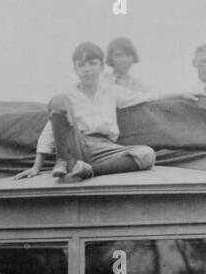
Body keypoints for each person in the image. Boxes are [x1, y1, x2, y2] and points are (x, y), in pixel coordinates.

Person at [16, 42, 188, 184]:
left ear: (101, 67)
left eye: (92, 64)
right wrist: (36, 167)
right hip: (77, 144)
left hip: (105, 148)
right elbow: (50, 130)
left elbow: (147, 96)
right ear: (75, 69)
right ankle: (64, 162)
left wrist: (180, 94)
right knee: (58, 99)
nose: (87, 69)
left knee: (146, 154)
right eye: (81, 65)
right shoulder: (69, 95)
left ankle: (88, 171)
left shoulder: (111, 91)